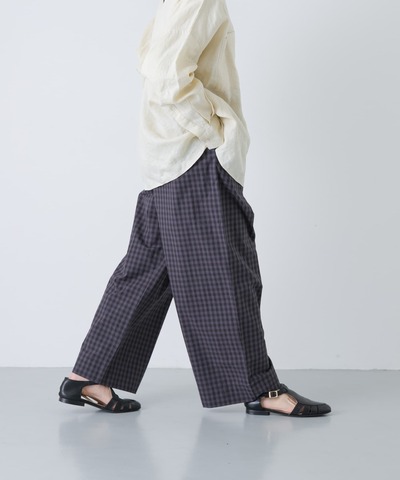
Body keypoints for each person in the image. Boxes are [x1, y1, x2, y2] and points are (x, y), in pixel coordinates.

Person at [58, 0, 331, 417]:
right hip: (192, 158)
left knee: (145, 271)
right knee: (228, 274)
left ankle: (88, 376)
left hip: (166, 159)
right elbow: (166, 75)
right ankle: (262, 389)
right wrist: (214, 132)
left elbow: (154, 63)